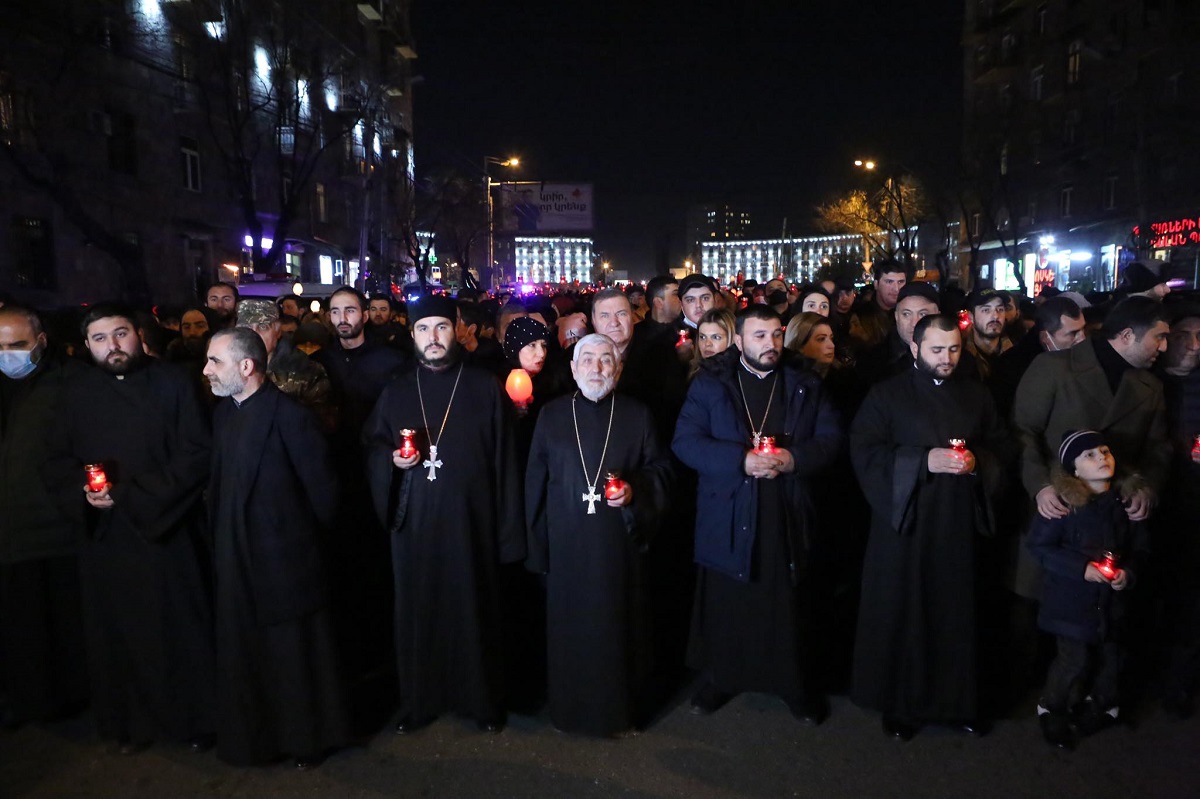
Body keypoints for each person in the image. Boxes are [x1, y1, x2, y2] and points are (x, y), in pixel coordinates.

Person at [43, 303, 214, 754]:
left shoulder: (175, 382)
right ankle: (133, 726)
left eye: (120, 334)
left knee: (180, 630)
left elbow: (196, 452)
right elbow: (56, 461)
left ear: (139, 335)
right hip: (107, 537)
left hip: (166, 529)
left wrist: (137, 496)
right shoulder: (73, 393)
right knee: (119, 635)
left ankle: (193, 722)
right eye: (100, 339)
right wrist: (84, 493)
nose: (112, 346)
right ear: (87, 346)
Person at [673, 305, 843, 726]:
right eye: (759, 336)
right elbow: (685, 442)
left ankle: (794, 685)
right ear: (739, 341)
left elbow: (832, 439)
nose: (770, 345)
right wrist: (739, 460)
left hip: (786, 506)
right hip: (730, 507)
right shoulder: (711, 384)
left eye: (776, 335)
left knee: (788, 603)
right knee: (731, 600)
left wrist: (793, 458)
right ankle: (723, 678)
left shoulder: (803, 383)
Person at [364, 295, 525, 734]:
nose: (432, 338)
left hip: (471, 524)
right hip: (414, 526)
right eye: (423, 330)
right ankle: (420, 701)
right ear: (412, 335)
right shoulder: (396, 390)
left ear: (457, 331)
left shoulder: (483, 386)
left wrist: (508, 534)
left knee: (475, 610)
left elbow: (506, 462)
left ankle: (483, 701)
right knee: (419, 611)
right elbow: (374, 447)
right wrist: (391, 462)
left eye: (440, 328)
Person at [850, 314, 1005, 740]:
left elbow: (999, 446)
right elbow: (864, 451)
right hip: (908, 525)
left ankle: (960, 703)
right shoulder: (886, 395)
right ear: (915, 348)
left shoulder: (976, 394)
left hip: (960, 524)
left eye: (954, 348)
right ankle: (903, 705)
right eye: (937, 350)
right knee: (907, 612)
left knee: (959, 614)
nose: (947, 358)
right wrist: (922, 461)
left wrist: (978, 462)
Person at [203, 328, 349, 769]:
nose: (206, 370)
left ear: (246, 367)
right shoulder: (224, 414)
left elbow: (323, 493)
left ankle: (306, 740)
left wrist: (302, 547)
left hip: (284, 560)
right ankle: (256, 739)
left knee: (293, 656)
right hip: (236, 557)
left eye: (215, 361)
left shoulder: (291, 416)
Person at [524, 333, 671, 736]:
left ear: (619, 368)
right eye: (587, 360)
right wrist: (537, 550)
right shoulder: (552, 415)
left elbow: (661, 470)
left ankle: (623, 710)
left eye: (606, 360)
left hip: (618, 548)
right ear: (573, 369)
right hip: (567, 546)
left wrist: (634, 491)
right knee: (571, 633)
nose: (597, 368)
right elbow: (534, 483)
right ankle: (571, 711)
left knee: (620, 626)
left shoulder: (638, 414)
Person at [1027, 431, 1149, 749]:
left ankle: (1104, 706)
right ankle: (1052, 707)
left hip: (1113, 603)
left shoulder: (1123, 503)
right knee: (1073, 659)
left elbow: (1140, 548)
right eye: (1090, 455)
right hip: (1071, 604)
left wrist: (1128, 573)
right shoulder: (1065, 507)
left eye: (1105, 450)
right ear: (1075, 470)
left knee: (1112, 657)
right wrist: (1081, 569)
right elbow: (1040, 546)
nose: (1101, 457)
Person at [0, 306, 87, 728]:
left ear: (40, 341)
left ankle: (73, 700)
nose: (6, 355)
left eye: (15, 345)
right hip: (10, 536)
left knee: (63, 625)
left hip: (55, 532)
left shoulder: (69, 383)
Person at [1014, 295, 1171, 526]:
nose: (1165, 346)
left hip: (1116, 517)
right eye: (1159, 337)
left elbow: (1157, 447)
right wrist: (1040, 486)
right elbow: (1023, 431)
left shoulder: (1151, 386)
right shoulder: (1053, 368)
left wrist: (1146, 488)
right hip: (1056, 511)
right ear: (1127, 336)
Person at [1155, 305, 1200, 719]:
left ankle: (1177, 682)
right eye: (1185, 336)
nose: (1193, 347)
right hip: (1153, 501)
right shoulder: (1147, 383)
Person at [236, 299, 333, 426]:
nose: (254, 334)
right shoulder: (226, 368)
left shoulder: (306, 370)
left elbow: (321, 424)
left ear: (277, 332)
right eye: (247, 327)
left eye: (263, 327)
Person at [856, 282, 940, 387]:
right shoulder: (871, 364)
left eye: (923, 314)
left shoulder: (958, 361)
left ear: (938, 316)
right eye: (906, 314)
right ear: (896, 317)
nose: (914, 323)